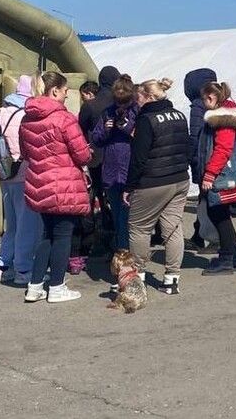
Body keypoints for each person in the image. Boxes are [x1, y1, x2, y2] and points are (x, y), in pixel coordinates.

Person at [20, 71, 93, 303]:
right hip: (64, 184)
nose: (66, 95)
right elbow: (82, 155)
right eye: (64, 90)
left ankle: (35, 285)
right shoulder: (64, 118)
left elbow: (25, 153)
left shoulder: (27, 118)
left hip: (39, 181)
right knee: (63, 236)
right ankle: (57, 286)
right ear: (54, 91)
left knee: (46, 235)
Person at [124, 78, 192, 294]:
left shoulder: (146, 120)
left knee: (139, 228)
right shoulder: (179, 115)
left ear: (149, 97)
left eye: (139, 98)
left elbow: (139, 158)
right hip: (179, 178)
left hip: (152, 181)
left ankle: (138, 275)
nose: (137, 103)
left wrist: (129, 186)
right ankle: (172, 278)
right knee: (173, 228)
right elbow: (187, 146)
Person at [197, 82, 236, 275]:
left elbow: (222, 149)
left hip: (222, 175)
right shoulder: (230, 114)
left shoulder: (223, 119)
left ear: (211, 98)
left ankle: (226, 258)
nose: (203, 103)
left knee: (217, 212)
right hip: (226, 173)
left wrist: (210, 174)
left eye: (204, 99)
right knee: (220, 213)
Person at [0, 75, 41, 285]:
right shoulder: (27, 114)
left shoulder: (0, 111)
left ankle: (2, 265)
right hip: (23, 173)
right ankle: (23, 269)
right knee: (27, 224)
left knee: (11, 224)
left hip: (4, 172)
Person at [89, 76, 137, 252]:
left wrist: (124, 125)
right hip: (111, 169)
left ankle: (127, 250)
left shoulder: (136, 111)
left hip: (129, 169)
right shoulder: (108, 112)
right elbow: (96, 138)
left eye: (124, 102)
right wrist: (107, 129)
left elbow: (138, 135)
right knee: (117, 216)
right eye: (118, 102)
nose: (121, 106)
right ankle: (121, 250)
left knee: (128, 216)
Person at [79, 67, 121, 255]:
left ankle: (101, 240)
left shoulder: (91, 105)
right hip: (120, 157)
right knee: (119, 199)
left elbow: (80, 130)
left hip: (95, 158)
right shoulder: (123, 101)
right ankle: (120, 239)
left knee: (98, 199)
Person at [184, 67, 220, 253]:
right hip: (213, 158)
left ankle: (215, 240)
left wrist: (190, 158)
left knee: (207, 200)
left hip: (204, 158)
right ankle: (198, 236)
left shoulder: (198, 105)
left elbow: (195, 135)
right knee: (205, 200)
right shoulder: (216, 100)